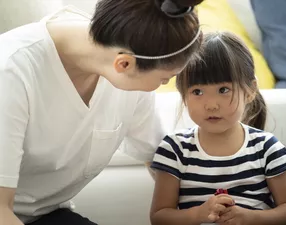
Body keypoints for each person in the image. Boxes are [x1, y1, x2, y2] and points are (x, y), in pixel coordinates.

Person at [0, 0, 202, 224]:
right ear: (124, 64)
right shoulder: (10, 72)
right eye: (164, 79)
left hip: (47, 216)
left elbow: (155, 158)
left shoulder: (131, 51)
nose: (161, 85)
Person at [150, 31, 286, 225]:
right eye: (197, 91)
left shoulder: (267, 148)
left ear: (250, 90)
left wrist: (251, 217)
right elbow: (159, 217)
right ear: (183, 95)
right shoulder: (174, 149)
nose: (211, 104)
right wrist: (199, 214)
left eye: (223, 90)